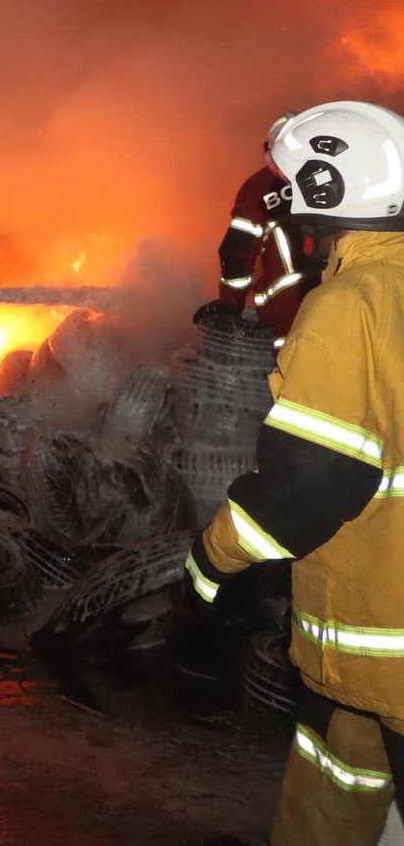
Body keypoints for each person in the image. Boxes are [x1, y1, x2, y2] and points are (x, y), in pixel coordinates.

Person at [178, 102, 404, 846]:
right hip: (369, 673)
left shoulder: (348, 308)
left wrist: (211, 561)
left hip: (381, 639)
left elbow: (306, 485)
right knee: (340, 784)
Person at [195, 113, 319, 348]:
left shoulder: (258, 189)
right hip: (350, 297)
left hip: (291, 312)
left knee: (297, 367)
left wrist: (231, 304)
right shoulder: (338, 178)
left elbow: (236, 251)